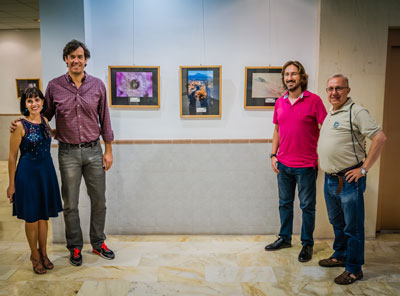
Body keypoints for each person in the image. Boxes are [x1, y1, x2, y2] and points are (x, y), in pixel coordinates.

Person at [11, 40, 115, 266]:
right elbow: (43, 116)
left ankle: (98, 243)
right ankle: (75, 247)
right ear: (66, 60)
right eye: (71, 56)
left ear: (85, 60)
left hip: (94, 151)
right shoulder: (54, 86)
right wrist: (20, 122)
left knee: (99, 201)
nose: (76, 60)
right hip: (67, 153)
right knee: (70, 204)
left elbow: (105, 119)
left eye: (80, 56)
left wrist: (108, 150)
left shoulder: (97, 85)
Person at [317, 74, 386, 284]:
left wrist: (363, 170)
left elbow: (380, 137)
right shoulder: (331, 113)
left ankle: (354, 269)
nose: (334, 92)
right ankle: (340, 255)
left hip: (349, 180)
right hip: (330, 180)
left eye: (339, 88)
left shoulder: (356, 112)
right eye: (330, 89)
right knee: (337, 222)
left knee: (353, 227)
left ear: (348, 90)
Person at [265, 61, 327, 263]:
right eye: (286, 74)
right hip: (283, 165)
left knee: (307, 206)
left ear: (302, 77)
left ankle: (307, 244)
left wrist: (323, 156)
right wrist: (273, 155)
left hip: (307, 165)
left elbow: (326, 130)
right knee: (284, 204)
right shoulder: (280, 102)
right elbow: (276, 130)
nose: (289, 78)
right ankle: (284, 238)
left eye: (293, 74)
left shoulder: (314, 100)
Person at [7, 87, 63, 274]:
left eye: (37, 99)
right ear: (24, 104)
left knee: (43, 218)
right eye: (30, 101)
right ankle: (34, 256)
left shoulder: (45, 121)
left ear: (42, 102)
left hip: (46, 173)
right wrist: (12, 184)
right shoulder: (19, 126)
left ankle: (44, 253)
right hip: (27, 175)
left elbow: (49, 136)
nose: (34, 103)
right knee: (31, 218)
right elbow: (12, 157)